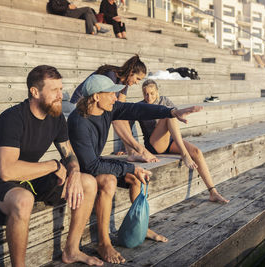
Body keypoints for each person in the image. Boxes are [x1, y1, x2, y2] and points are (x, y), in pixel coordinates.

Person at [67, 74, 202, 264]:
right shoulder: (78, 121)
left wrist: (170, 112)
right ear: (96, 97)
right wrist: (130, 166)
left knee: (135, 177)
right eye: (111, 94)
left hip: (94, 163)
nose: (116, 97)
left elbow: (137, 109)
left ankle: (141, 226)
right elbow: (91, 166)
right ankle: (104, 242)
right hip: (80, 170)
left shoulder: (107, 109)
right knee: (110, 180)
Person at [0, 65, 103, 266]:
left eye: (61, 89)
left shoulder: (56, 117)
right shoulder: (13, 118)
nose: (60, 95)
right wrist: (54, 165)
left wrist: (75, 172)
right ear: (34, 92)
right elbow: (7, 171)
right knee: (24, 199)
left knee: (88, 183)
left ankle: (71, 250)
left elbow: (69, 154)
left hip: (29, 178)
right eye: (54, 90)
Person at [139, 79, 229, 203]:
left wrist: (180, 115)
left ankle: (213, 192)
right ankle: (185, 154)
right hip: (154, 145)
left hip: (170, 141)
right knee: (168, 114)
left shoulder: (164, 100)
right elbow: (127, 124)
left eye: (152, 93)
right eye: (146, 94)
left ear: (157, 92)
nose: (149, 97)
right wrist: (127, 148)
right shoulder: (140, 106)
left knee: (196, 152)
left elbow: (176, 114)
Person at [70, 55, 156, 162]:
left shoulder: (124, 84)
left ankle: (131, 152)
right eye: (137, 78)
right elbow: (112, 109)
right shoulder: (111, 75)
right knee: (116, 117)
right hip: (79, 104)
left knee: (121, 116)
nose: (137, 82)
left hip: (95, 106)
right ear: (131, 73)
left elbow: (121, 109)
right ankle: (137, 150)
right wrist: (138, 146)